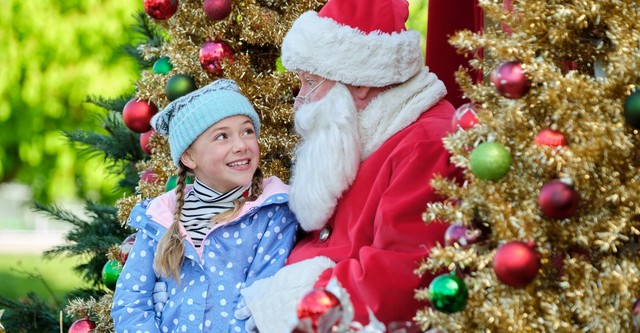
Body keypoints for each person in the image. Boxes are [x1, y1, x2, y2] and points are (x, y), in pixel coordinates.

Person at [235, 0, 466, 331]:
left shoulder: (428, 144)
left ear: (359, 81)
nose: (300, 100)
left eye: (310, 82)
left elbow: (401, 279)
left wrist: (292, 302)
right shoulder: (356, 126)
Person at [110, 79, 298, 333]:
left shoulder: (271, 214)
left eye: (247, 131)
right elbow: (131, 300)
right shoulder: (160, 219)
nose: (241, 145)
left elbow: (262, 299)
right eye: (222, 136)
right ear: (188, 157)